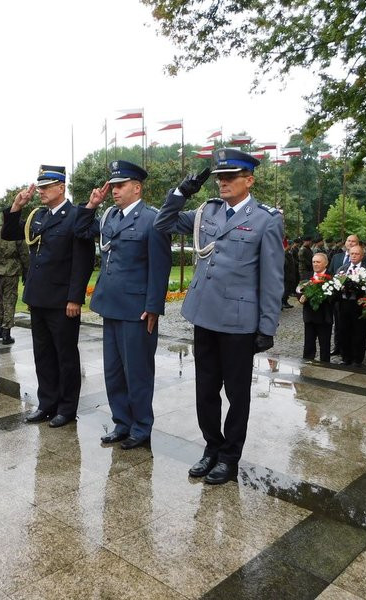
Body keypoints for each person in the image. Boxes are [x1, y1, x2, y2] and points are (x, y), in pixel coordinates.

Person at [154, 148, 284, 485]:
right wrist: (182, 191)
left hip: (239, 322)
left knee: (237, 393)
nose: (222, 183)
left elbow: (272, 278)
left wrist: (266, 326)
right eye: (219, 178)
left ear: (249, 180)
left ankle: (230, 457)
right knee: (205, 389)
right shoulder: (206, 212)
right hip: (205, 315)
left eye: (230, 177)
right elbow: (163, 222)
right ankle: (212, 447)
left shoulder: (266, 219)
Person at [74, 160, 172, 449]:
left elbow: (160, 266)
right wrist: (92, 205)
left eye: (120, 185)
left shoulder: (152, 219)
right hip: (110, 304)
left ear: (137, 187)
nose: (114, 190)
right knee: (113, 370)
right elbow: (81, 231)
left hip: (137, 309)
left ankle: (141, 427)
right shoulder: (109, 217)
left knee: (138, 372)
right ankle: (122, 422)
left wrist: (154, 306)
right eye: (113, 186)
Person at [1, 165, 94, 428]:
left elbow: (83, 261)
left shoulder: (77, 215)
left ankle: (66, 408)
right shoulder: (37, 216)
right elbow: (9, 233)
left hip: (63, 300)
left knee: (65, 356)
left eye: (45, 187)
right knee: (43, 354)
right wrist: (17, 205)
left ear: (61, 187)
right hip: (39, 297)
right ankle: (47, 403)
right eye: (39, 187)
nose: (40, 191)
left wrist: (75, 298)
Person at [335, 245, 366, 366]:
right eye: (352, 254)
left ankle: (357, 359)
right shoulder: (342, 268)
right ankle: (346, 357)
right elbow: (335, 285)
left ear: (362, 256)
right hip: (344, 303)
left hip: (359, 304)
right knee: (344, 331)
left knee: (359, 332)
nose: (354, 256)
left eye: (357, 254)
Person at [299, 253, 334, 362]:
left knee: (324, 345)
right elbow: (299, 290)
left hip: (324, 316)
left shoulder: (332, 277)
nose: (315, 264)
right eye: (314, 262)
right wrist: (301, 297)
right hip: (309, 316)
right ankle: (307, 364)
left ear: (326, 264)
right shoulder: (306, 276)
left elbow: (335, 297)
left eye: (318, 262)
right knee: (308, 343)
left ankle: (325, 366)